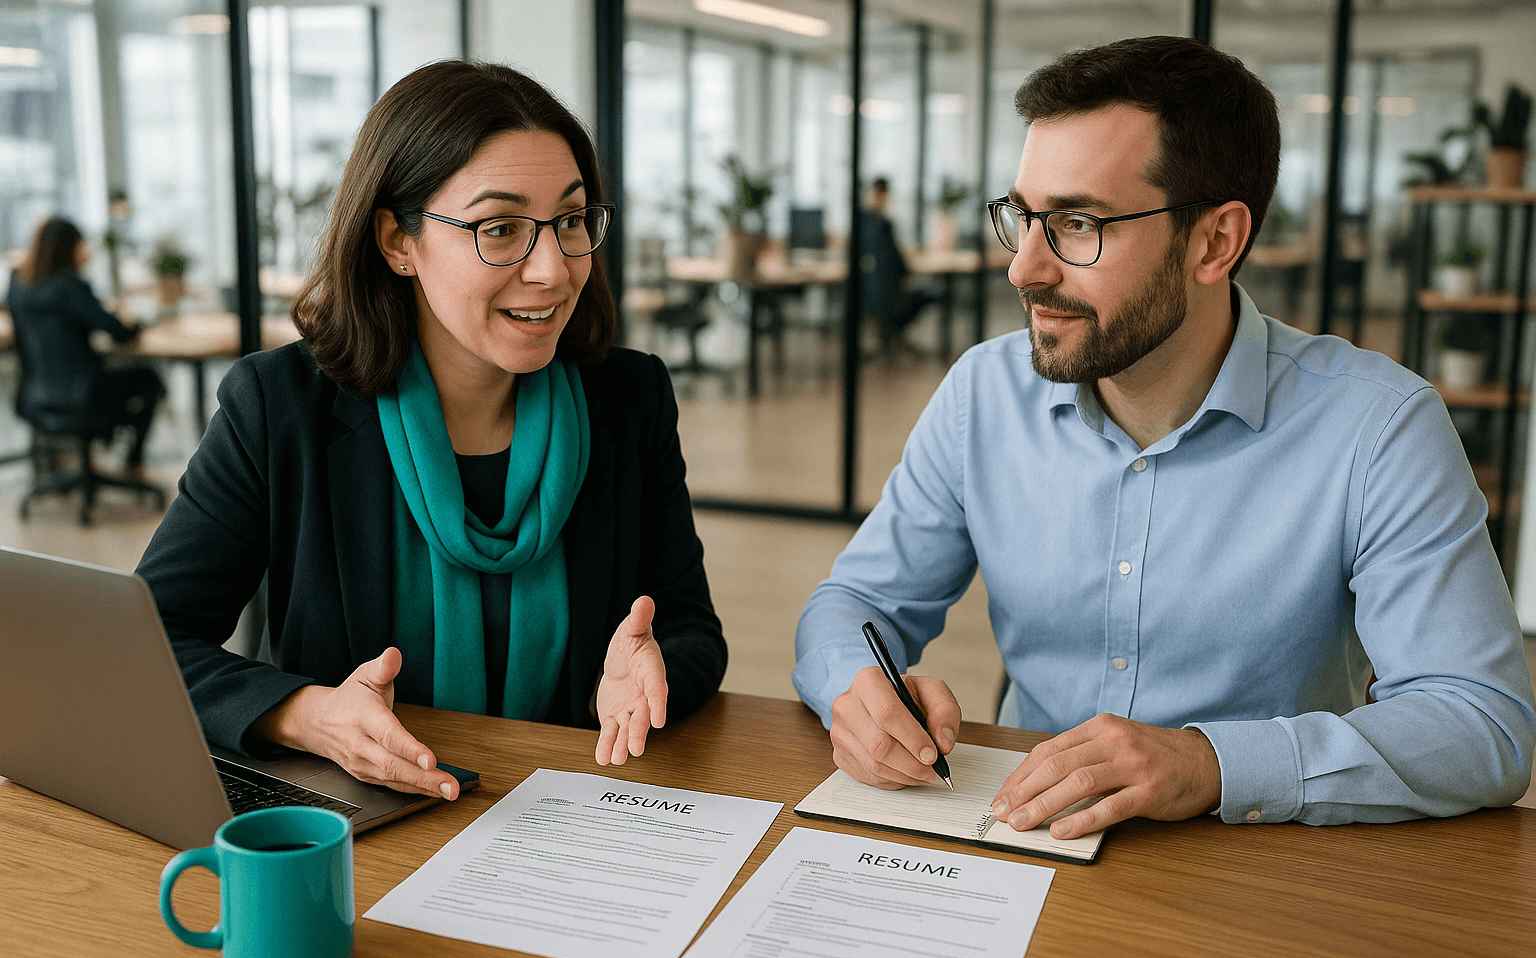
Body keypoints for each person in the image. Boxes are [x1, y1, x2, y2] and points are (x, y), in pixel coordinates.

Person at [793, 36, 1535, 838]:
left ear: (1215, 242)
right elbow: (857, 603)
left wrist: (1207, 764)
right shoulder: (984, 393)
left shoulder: (1378, 426)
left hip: (1257, 860)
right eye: (1025, 218)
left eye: (1078, 223)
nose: (1024, 269)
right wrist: (856, 688)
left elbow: (1481, 723)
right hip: (1025, 834)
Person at [136, 61, 726, 801]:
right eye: (500, 229)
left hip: (574, 806)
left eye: (571, 221)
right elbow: (145, 647)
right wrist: (307, 715)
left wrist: (656, 673)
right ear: (398, 242)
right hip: (365, 820)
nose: (552, 270)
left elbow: (690, 627)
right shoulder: (280, 407)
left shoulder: (628, 399)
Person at [6, 216, 165, 473]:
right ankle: (132, 459)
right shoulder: (70, 286)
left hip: (34, 397)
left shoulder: (17, 285)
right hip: (83, 396)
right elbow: (118, 332)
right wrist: (135, 323)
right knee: (150, 379)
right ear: (68, 248)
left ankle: (103, 441)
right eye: (81, 246)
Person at [860, 177, 938, 353]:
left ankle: (890, 332)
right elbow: (901, 267)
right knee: (932, 290)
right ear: (884, 195)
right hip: (890, 298)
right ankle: (893, 331)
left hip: (869, 297)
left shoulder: (861, 222)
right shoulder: (883, 225)